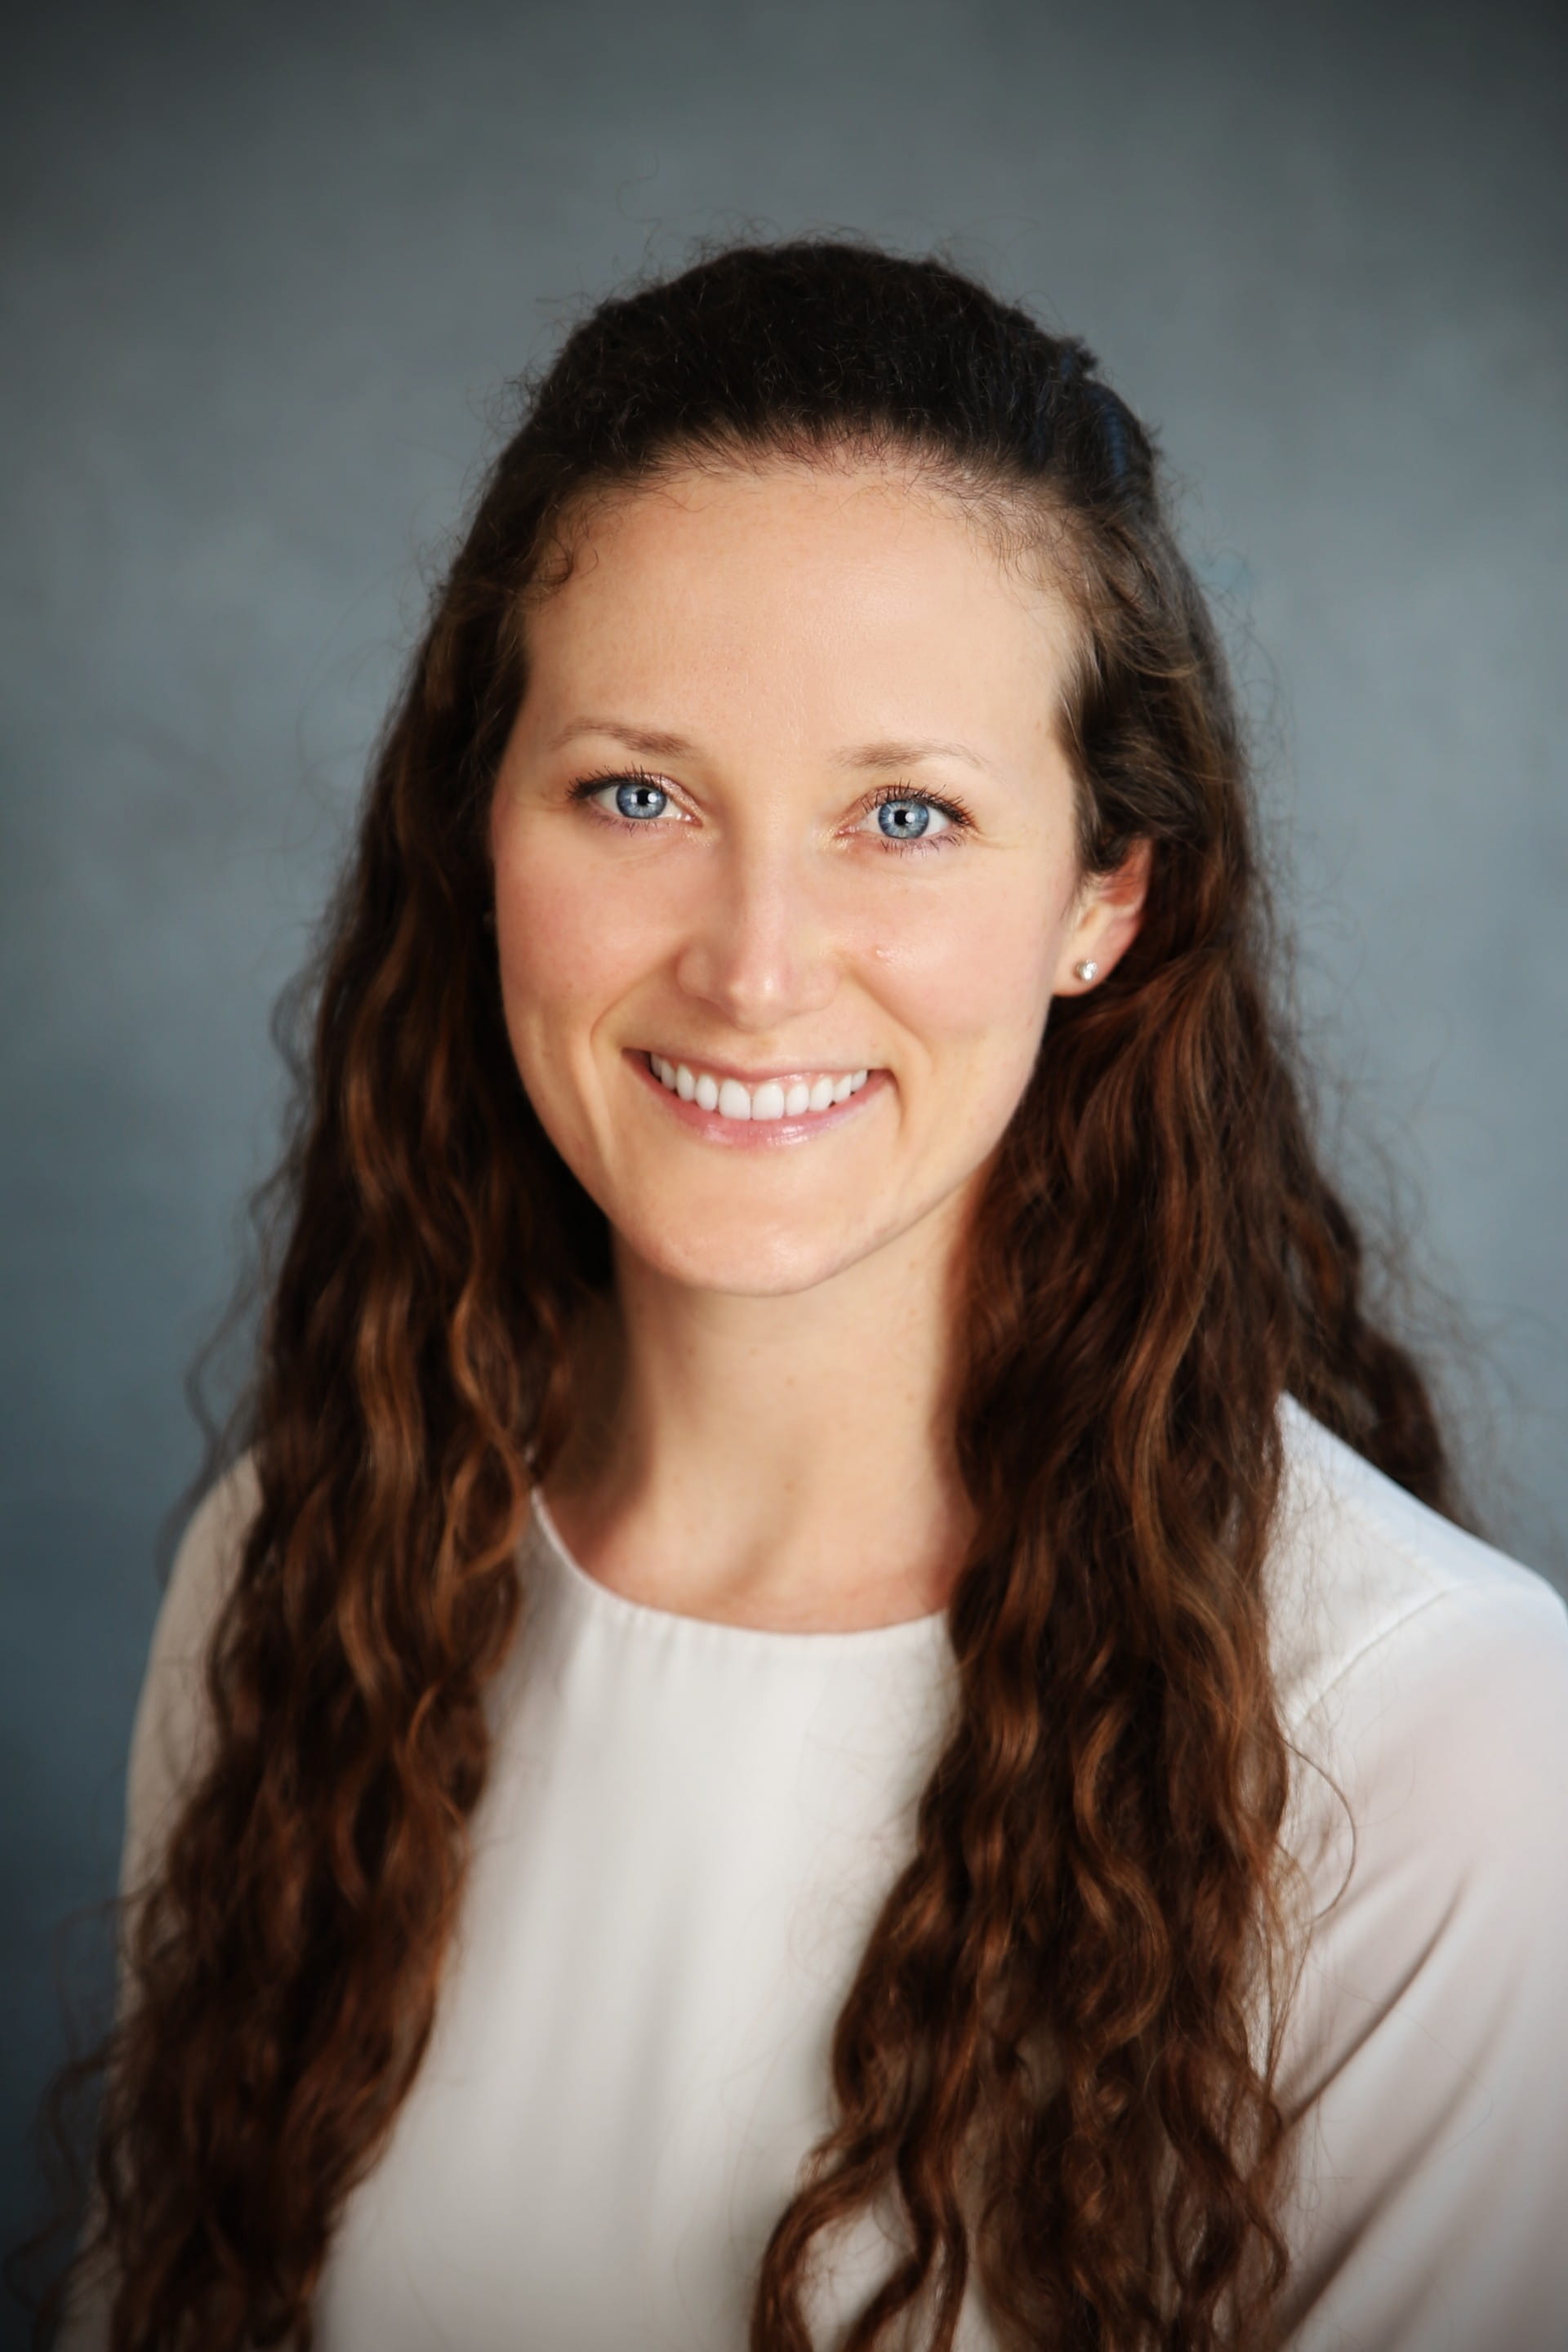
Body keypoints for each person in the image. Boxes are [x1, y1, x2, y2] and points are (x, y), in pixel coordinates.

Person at [48, 241, 1568, 2352]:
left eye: (908, 816)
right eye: (637, 794)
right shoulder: (295, 1578)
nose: (756, 966)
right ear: (480, 824)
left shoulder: (1449, 1759)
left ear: (1104, 897)